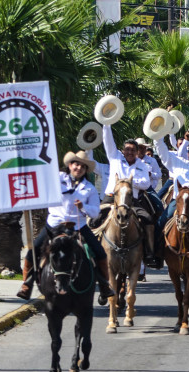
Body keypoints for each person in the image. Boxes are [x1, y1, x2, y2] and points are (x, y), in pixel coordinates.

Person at [17, 151, 115, 302]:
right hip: (54, 225)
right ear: (70, 165)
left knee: (100, 253)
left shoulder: (89, 188)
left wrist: (83, 207)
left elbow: (95, 212)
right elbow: (41, 181)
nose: (79, 168)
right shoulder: (56, 179)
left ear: (86, 170)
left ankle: (104, 285)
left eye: (83, 166)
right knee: (33, 250)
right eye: (76, 164)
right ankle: (26, 284)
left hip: (78, 227)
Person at [90, 125, 161, 268]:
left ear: (136, 152)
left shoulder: (142, 165)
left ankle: (149, 253)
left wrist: (129, 183)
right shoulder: (115, 157)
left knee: (148, 219)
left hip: (132, 200)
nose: (130, 152)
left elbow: (146, 184)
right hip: (111, 198)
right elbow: (108, 140)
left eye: (133, 150)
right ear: (123, 151)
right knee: (94, 219)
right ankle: (93, 254)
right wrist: (107, 124)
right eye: (127, 149)